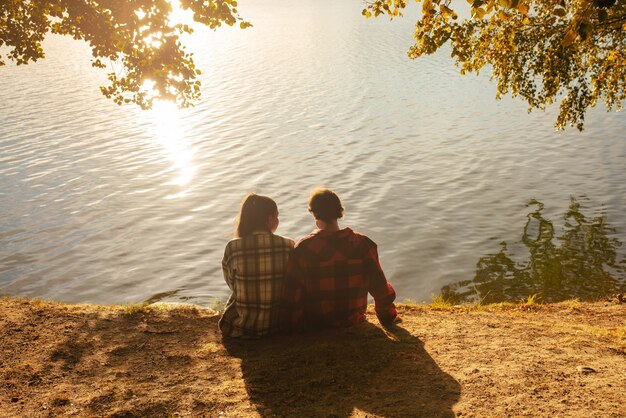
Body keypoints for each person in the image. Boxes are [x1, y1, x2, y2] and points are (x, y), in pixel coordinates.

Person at [281, 188, 398, 331]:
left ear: (314, 214)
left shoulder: (304, 249)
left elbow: (292, 295)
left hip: (315, 324)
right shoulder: (363, 244)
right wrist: (387, 318)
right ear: (340, 211)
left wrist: (292, 326)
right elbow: (380, 289)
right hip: (353, 320)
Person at [219, 193, 295, 338]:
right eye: (276, 216)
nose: (278, 220)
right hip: (279, 325)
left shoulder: (233, 247)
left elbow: (232, 283)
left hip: (242, 327)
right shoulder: (288, 245)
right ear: (269, 218)